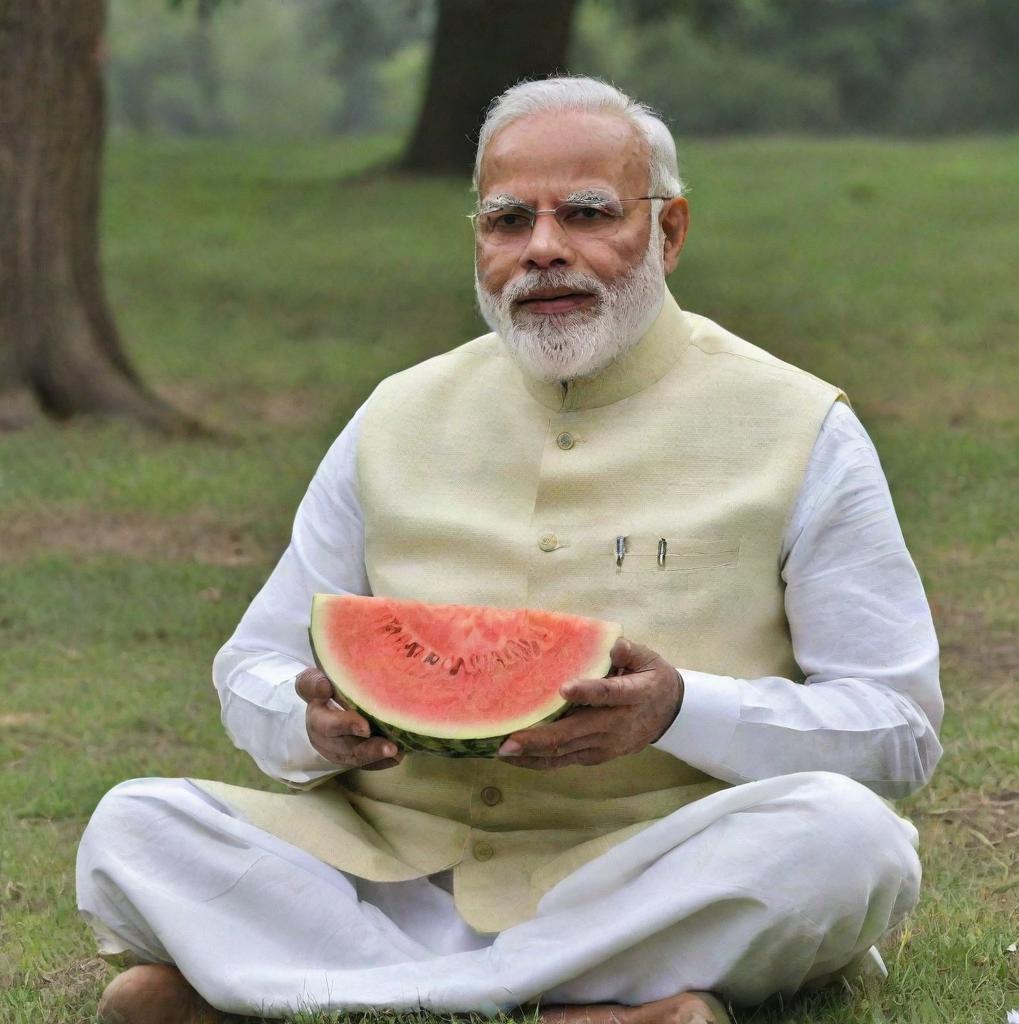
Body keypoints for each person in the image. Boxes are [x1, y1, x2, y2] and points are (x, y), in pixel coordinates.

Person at [77, 76, 942, 1024]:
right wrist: (308, 722)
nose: (542, 250)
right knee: (134, 826)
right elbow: (253, 667)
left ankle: (312, 993)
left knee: (848, 843)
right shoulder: (394, 416)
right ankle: (581, 1006)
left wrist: (678, 710)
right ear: (477, 241)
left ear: (671, 230)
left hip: (641, 874)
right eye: (506, 221)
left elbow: (896, 729)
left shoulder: (799, 426)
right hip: (387, 871)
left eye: (586, 213)